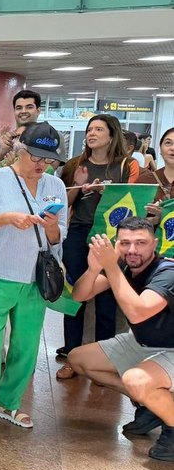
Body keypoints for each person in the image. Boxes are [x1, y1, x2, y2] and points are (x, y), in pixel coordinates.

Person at [0, 122, 67, 436]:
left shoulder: (55, 186)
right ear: (20, 149)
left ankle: (6, 402)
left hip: (34, 277)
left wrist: (50, 226)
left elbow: (58, 236)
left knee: (26, 344)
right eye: (35, 156)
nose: (41, 165)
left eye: (48, 160)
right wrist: (6, 218)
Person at [65, 219, 174, 461]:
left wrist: (111, 266)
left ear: (155, 244)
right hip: (142, 342)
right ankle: (153, 404)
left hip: (171, 349)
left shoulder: (168, 272)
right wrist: (94, 268)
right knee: (78, 359)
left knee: (135, 379)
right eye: (125, 243)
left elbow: (138, 311)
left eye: (140, 243)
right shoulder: (125, 267)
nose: (132, 250)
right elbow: (79, 295)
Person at [55, 114, 140, 376]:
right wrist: (79, 186)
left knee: (106, 299)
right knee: (74, 296)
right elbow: (64, 204)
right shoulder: (75, 165)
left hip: (111, 234)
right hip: (79, 233)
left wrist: (109, 192)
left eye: (99, 129)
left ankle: (106, 359)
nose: (92, 134)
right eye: (89, 129)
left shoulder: (127, 165)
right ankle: (71, 355)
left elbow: (134, 199)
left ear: (111, 135)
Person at [0, 89, 41, 172]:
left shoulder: (49, 139)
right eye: (19, 108)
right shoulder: (0, 139)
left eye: (29, 107)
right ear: (14, 111)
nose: (23, 111)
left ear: (38, 111)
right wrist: (2, 151)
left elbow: (48, 170)